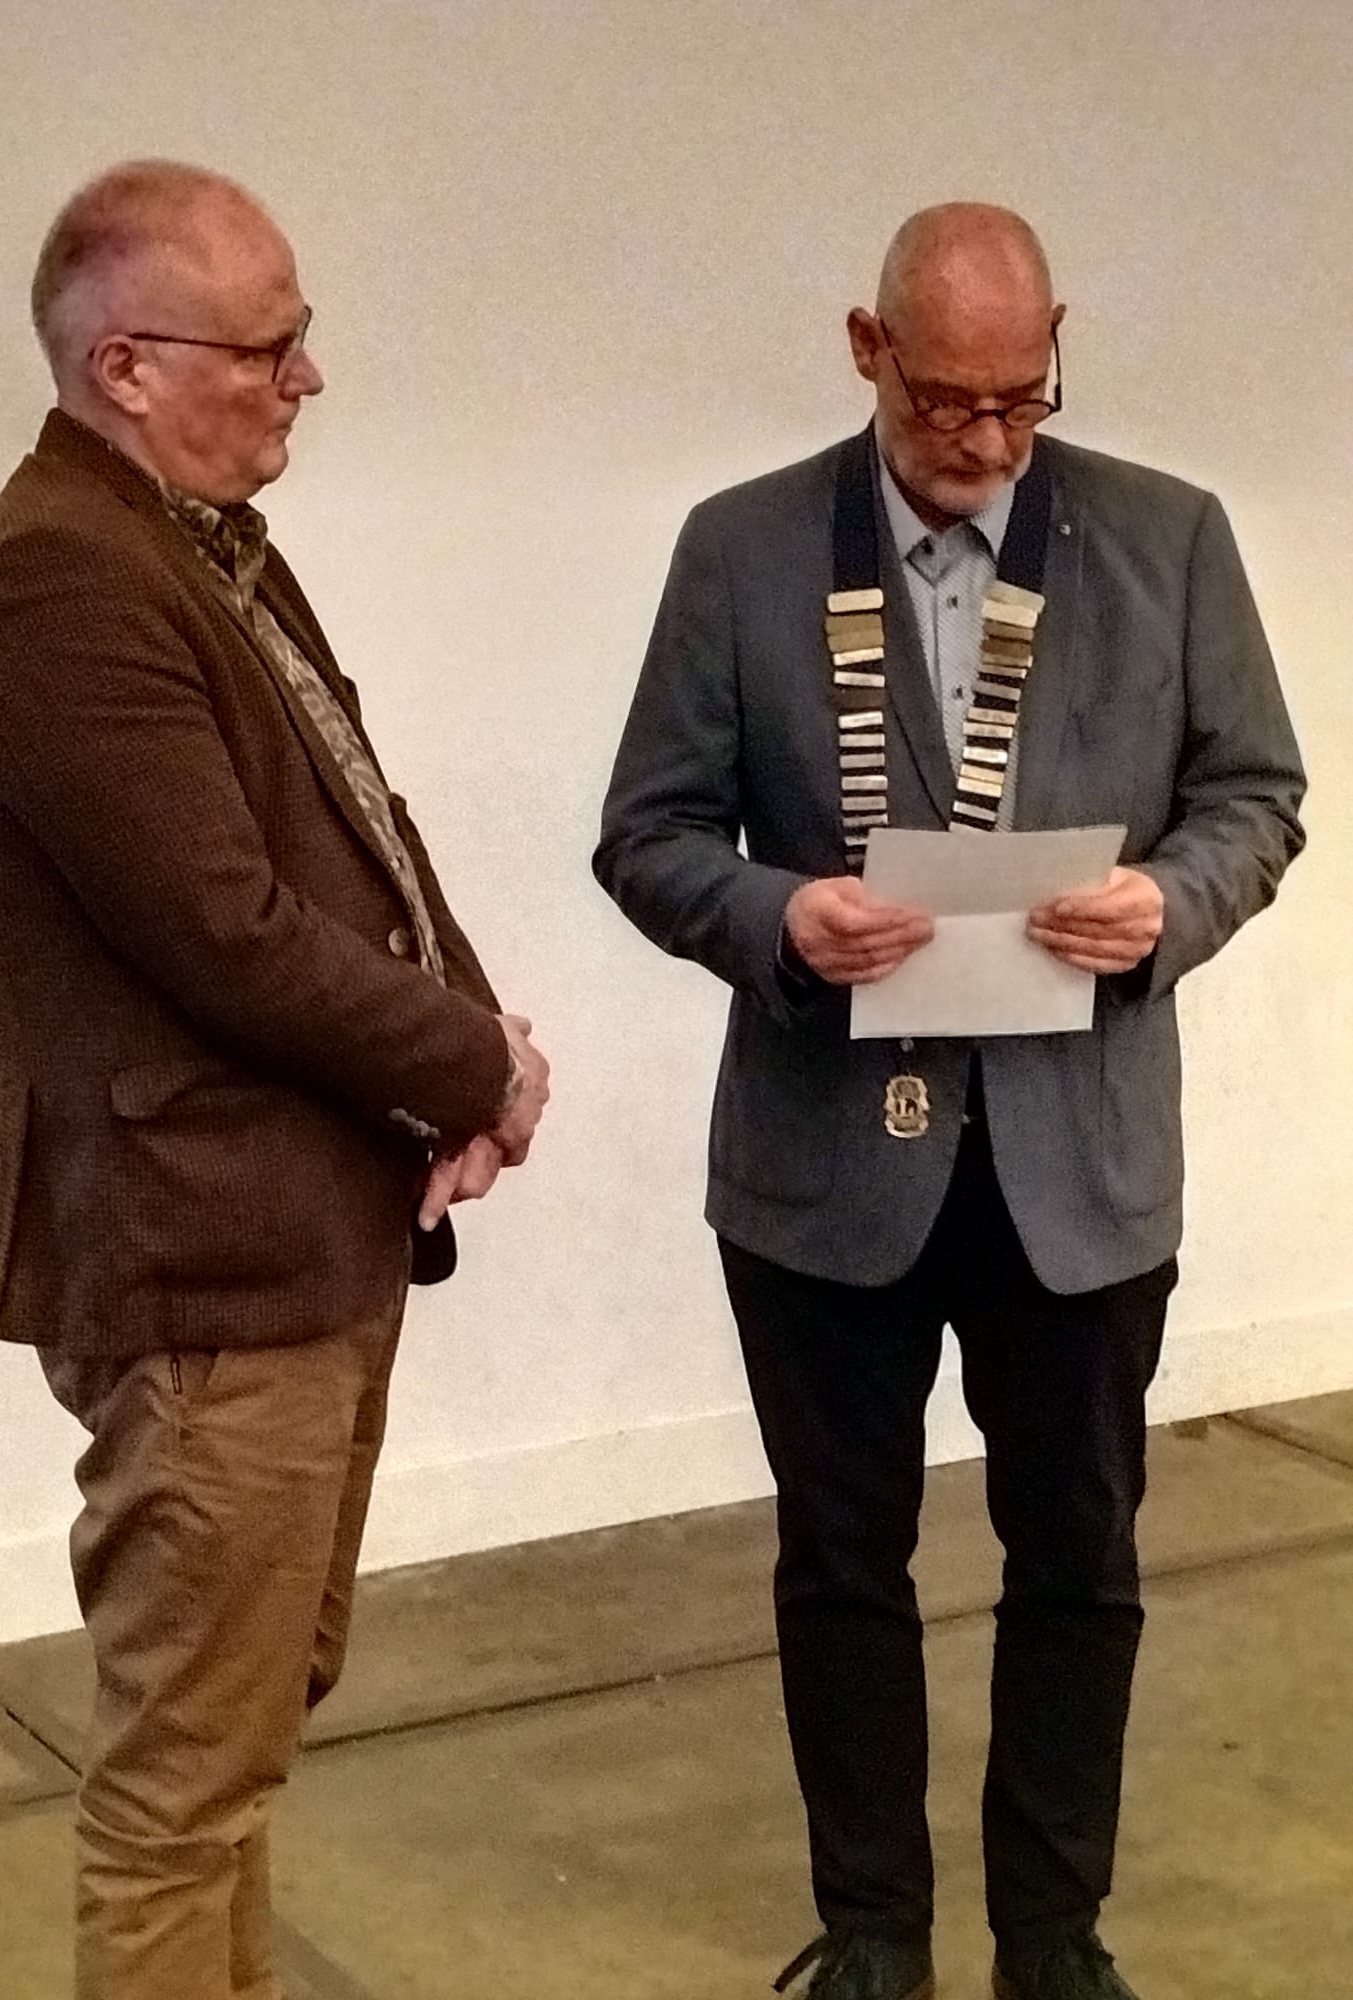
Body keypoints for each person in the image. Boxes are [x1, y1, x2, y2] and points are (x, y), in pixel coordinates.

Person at [594, 203, 1304, 2000]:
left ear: (1054, 347)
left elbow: (1257, 796)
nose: (988, 440)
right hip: (826, 1167)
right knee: (843, 1561)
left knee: (1081, 1558)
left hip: (1080, 1166)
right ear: (867, 348)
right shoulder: (741, 549)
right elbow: (649, 834)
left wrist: (1168, 907)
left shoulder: (1170, 539)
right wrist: (777, 916)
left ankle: (1053, 1938)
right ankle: (874, 1933)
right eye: (945, 403)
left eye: (1022, 397)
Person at [0, 159, 549, 2000]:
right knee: (182, 1793)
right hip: (201, 1268)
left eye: (299, 338)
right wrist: (478, 1064)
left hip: (284, 1246)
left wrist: (472, 1058)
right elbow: (230, 932)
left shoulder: (193, 549)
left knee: (237, 1748)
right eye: (268, 348)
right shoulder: (58, 580)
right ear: (125, 365)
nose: (306, 379)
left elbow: (363, 832)